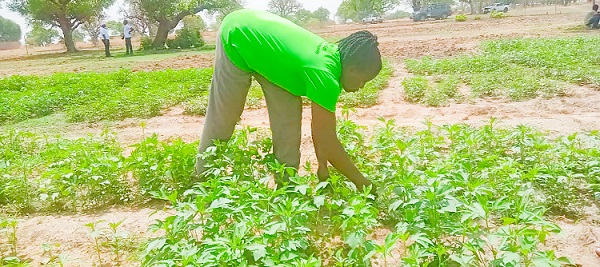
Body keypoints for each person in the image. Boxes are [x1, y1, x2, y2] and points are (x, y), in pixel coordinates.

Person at [195, 9, 382, 191]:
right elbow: (328, 139)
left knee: (289, 122)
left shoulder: (333, 58)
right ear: (351, 69)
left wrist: (323, 167)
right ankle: (203, 179)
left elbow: (321, 133)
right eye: (363, 80)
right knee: (224, 116)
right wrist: (361, 182)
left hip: (269, 52)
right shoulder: (324, 75)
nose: (362, 87)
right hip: (239, 35)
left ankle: (286, 187)